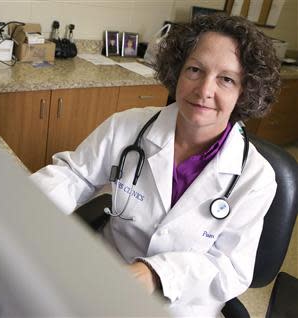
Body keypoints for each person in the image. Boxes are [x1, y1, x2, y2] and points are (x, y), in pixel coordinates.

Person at [30, 13, 281, 317]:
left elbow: (230, 269)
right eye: (195, 70)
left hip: (181, 306)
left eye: (226, 79)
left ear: (245, 91)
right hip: (105, 277)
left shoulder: (256, 178)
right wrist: (25, 206)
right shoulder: (127, 126)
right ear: (177, 71)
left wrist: (155, 274)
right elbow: (74, 174)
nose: (204, 90)